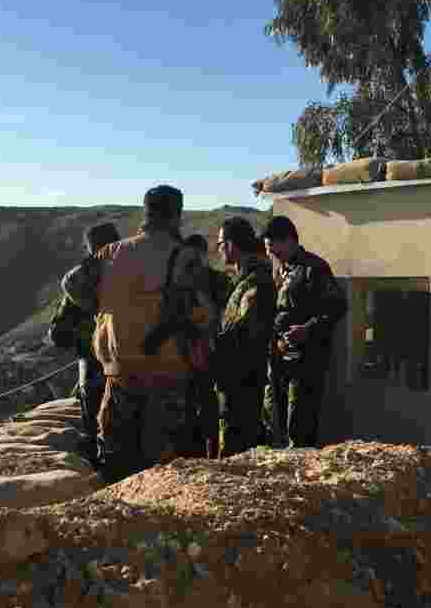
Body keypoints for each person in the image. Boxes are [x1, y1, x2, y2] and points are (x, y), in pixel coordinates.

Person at [61, 185, 214, 482]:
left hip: (119, 376)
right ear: (176, 215)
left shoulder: (110, 252)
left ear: (146, 212)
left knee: (116, 465)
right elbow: (203, 314)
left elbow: (70, 283)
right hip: (166, 376)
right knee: (164, 472)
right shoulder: (183, 257)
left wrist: (101, 309)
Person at [262, 215, 348, 449]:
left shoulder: (314, 268)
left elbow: (337, 307)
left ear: (289, 240)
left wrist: (307, 329)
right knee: (276, 415)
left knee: (299, 421)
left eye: (274, 249)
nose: (272, 255)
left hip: (306, 361)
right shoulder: (281, 269)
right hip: (281, 357)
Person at [51, 222, 121, 462]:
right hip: (140, 359)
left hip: (95, 365)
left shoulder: (81, 280)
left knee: (94, 422)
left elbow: (58, 332)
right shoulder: (136, 271)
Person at [213, 217, 275, 457]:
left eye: (220, 244)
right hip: (238, 377)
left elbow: (243, 333)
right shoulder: (246, 280)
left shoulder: (256, 281)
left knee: (236, 450)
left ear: (231, 245)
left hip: (243, 380)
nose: (218, 250)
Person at [182, 233, 234, 457]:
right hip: (187, 356)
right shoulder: (180, 285)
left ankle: (212, 455)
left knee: (211, 410)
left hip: (212, 353)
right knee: (192, 412)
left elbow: (229, 317)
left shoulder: (218, 281)